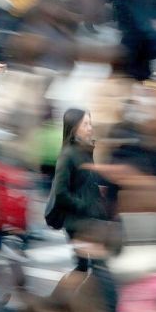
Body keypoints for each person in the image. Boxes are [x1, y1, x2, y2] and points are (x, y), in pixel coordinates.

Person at [45, 109, 107, 263]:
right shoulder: (67, 156)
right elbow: (61, 192)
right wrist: (84, 205)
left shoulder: (84, 151)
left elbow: (83, 183)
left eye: (90, 123)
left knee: (93, 265)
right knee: (87, 265)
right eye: (85, 124)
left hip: (90, 218)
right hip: (78, 222)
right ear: (74, 128)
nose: (90, 128)